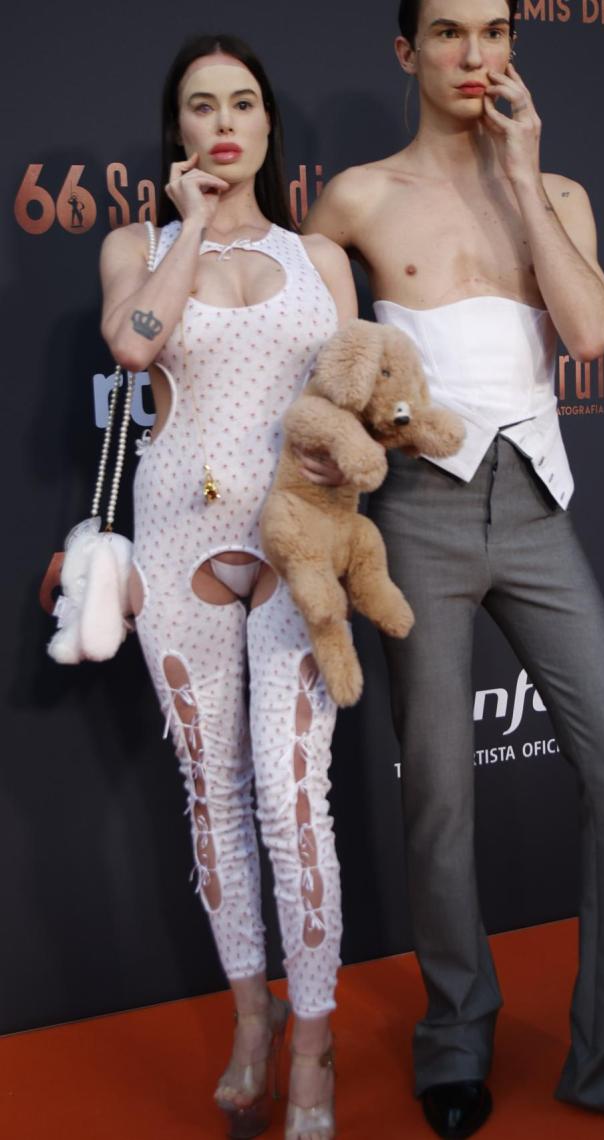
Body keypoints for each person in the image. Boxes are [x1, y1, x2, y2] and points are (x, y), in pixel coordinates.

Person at [303, 2, 604, 1138]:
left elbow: (587, 336)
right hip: (417, 518)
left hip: (538, 510)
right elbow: (336, 385)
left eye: (495, 30)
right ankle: (455, 1039)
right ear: (408, 51)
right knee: (440, 793)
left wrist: (527, 169)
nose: (476, 55)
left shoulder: (563, 195)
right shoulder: (354, 198)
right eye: (449, 32)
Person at [99, 33, 356, 1140]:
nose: (222, 123)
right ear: (178, 129)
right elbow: (133, 346)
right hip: (175, 544)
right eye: (201, 106)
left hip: (296, 549)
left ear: (264, 121)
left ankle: (313, 1046)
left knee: (293, 804)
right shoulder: (138, 245)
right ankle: (251, 1019)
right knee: (214, 801)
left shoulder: (321, 260)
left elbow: (352, 403)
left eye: (241, 102)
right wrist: (190, 227)